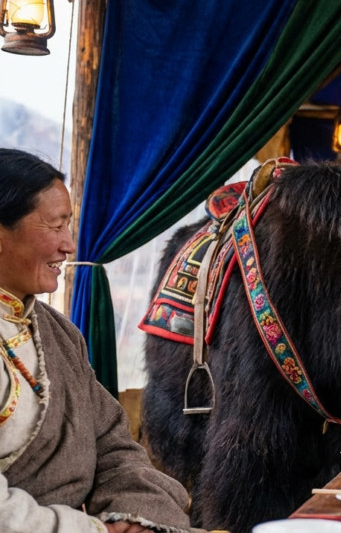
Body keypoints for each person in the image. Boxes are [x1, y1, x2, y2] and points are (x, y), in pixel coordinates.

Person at [0, 149, 199, 533]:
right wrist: (92, 531)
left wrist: (133, 517)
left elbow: (112, 445)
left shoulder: (59, 334)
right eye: (56, 226)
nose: (70, 245)